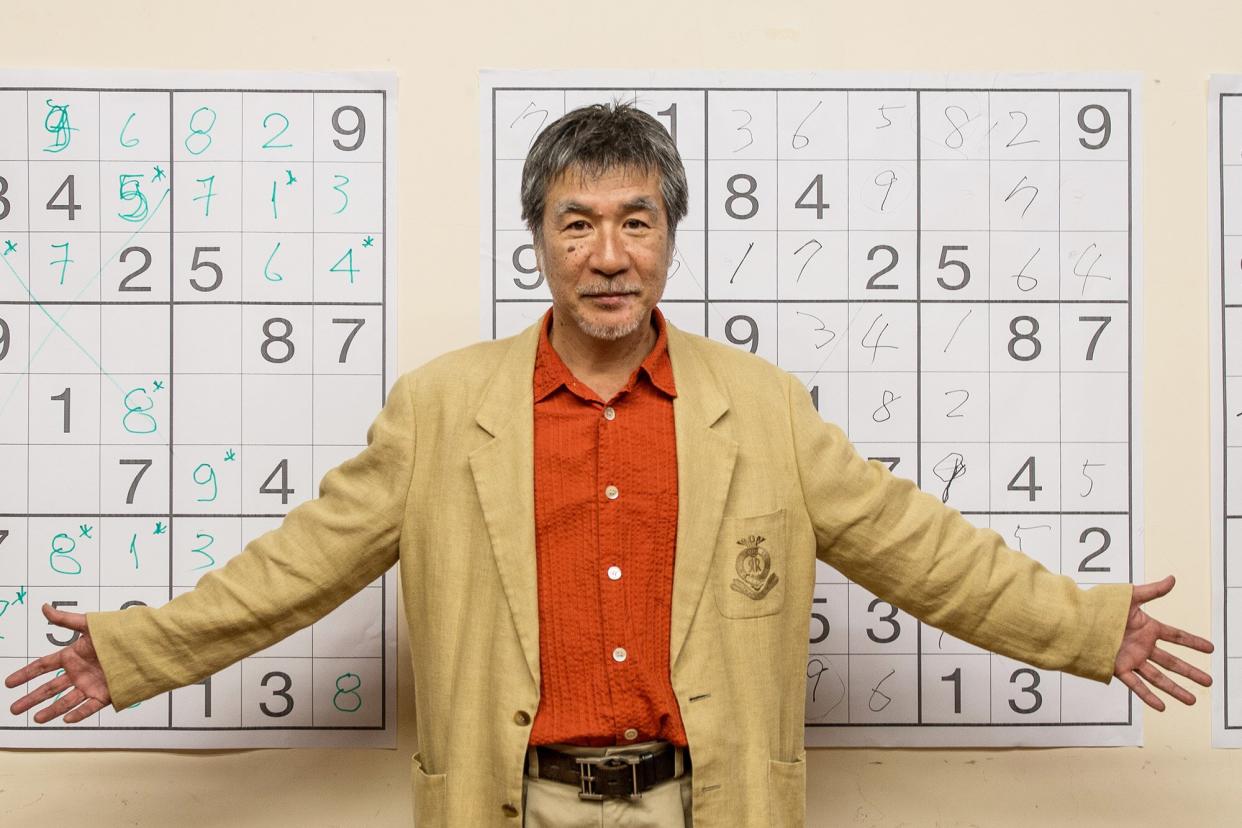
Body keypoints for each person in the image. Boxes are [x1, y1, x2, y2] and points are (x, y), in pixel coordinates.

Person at [5, 103, 1213, 827]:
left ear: (671, 238)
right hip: (515, 802)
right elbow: (297, 568)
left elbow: (923, 549)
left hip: (708, 803)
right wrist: (137, 653)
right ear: (538, 240)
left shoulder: (765, 409)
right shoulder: (441, 410)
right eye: (577, 223)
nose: (608, 253)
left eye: (636, 220)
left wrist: (1082, 627)